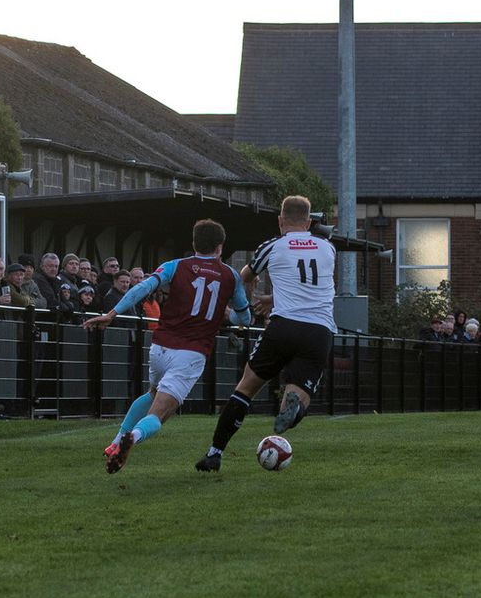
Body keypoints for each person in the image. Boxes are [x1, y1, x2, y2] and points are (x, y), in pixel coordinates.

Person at [84, 219, 251, 474]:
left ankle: (117, 441)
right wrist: (227, 313)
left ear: (194, 243)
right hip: (191, 354)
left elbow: (144, 287)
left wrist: (112, 313)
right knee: (161, 413)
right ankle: (134, 437)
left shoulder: (175, 266)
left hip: (160, 347)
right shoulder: (230, 276)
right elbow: (245, 318)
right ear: (220, 247)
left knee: (152, 394)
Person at [195, 195, 336, 473]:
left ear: (280, 220)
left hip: (283, 326)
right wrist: (275, 297)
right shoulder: (328, 248)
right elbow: (313, 286)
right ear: (309, 222)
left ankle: (215, 453)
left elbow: (240, 277)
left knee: (245, 388)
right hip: (319, 330)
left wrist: (241, 300)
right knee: (299, 399)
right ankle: (293, 407)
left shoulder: (273, 246)